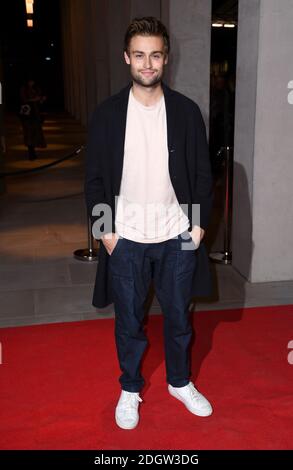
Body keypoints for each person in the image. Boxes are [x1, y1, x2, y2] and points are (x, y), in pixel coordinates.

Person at [85, 17, 214, 430]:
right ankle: (130, 387)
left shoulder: (185, 111)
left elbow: (200, 175)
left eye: (154, 55)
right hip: (126, 238)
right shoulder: (107, 114)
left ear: (165, 59)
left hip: (177, 234)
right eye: (139, 55)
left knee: (179, 316)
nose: (147, 63)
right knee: (129, 321)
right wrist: (106, 234)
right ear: (127, 58)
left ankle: (179, 382)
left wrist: (197, 230)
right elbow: (95, 180)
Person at [19, 79, 47, 160]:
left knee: (35, 133)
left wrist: (41, 99)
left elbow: (39, 101)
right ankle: (31, 153)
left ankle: (33, 152)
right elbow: (23, 100)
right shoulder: (23, 89)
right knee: (28, 133)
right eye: (30, 81)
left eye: (33, 81)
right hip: (27, 114)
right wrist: (34, 99)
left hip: (35, 113)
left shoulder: (36, 88)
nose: (32, 82)